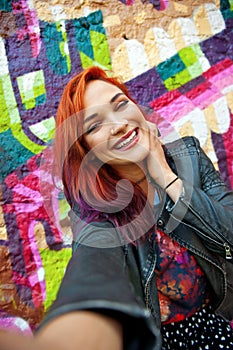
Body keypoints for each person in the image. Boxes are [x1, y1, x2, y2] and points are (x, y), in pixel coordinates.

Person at [1, 66, 233, 350]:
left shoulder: (190, 157)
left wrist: (166, 177)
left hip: (220, 323)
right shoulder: (95, 214)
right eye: (95, 125)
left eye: (121, 104)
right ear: (86, 150)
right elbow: (93, 267)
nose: (120, 124)